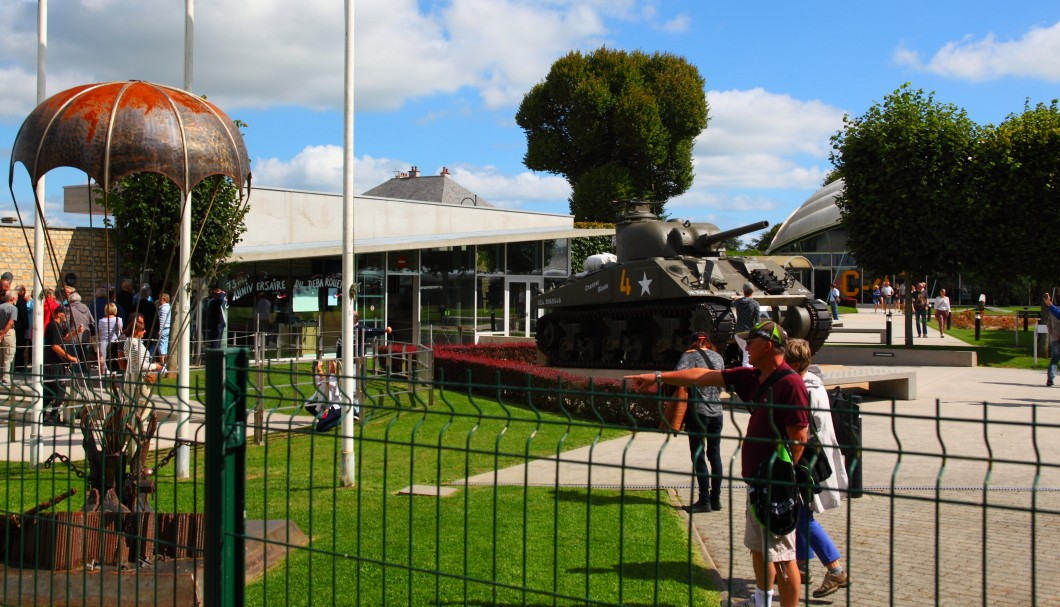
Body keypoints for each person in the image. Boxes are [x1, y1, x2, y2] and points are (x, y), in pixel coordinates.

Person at [627, 320, 809, 607]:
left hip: (775, 485)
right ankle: (762, 602)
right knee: (760, 550)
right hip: (758, 483)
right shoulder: (754, 377)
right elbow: (702, 376)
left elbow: (799, 437)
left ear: (770, 345)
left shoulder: (790, 383)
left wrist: (781, 482)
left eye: (752, 341)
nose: (746, 346)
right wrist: (657, 376)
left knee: (784, 557)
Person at [783, 338, 851, 599]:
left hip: (806, 460)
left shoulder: (805, 388)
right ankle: (799, 568)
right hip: (813, 458)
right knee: (801, 516)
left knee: (802, 517)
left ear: (796, 363)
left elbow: (802, 429)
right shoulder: (813, 384)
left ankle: (835, 568)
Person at [677, 331, 726, 513]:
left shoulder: (689, 356)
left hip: (698, 412)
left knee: (698, 456)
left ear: (693, 343)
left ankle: (704, 500)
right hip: (717, 412)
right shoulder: (718, 357)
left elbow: (677, 376)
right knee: (714, 455)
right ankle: (716, 499)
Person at [44, 309, 79, 424]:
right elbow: (55, 346)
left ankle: (47, 414)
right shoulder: (54, 326)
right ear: (59, 314)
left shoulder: (58, 326)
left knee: (50, 390)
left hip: (55, 362)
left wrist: (76, 332)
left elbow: (65, 337)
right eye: (64, 313)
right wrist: (70, 357)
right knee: (59, 390)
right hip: (54, 363)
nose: (66, 316)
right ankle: (52, 415)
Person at [122, 313, 161, 403]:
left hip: (131, 375)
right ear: (136, 331)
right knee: (145, 404)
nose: (145, 331)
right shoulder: (136, 344)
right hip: (140, 378)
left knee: (132, 403)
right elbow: (142, 365)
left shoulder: (127, 342)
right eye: (143, 329)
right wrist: (155, 366)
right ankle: (140, 418)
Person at [304, 359, 347, 430]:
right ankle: (324, 418)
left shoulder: (338, 377)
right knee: (309, 405)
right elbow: (319, 382)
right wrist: (316, 369)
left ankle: (340, 419)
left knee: (320, 427)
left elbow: (327, 381)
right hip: (326, 406)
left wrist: (319, 370)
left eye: (330, 364)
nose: (328, 366)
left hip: (337, 408)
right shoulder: (329, 376)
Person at [66, 291, 96, 375]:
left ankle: (77, 377)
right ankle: (86, 375)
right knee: (84, 358)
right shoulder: (86, 307)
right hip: (86, 336)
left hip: (74, 336)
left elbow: (66, 324)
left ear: (70, 300)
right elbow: (92, 321)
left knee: (75, 358)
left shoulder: (69, 309)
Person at [733, 282, 760, 366]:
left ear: (743, 291)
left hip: (737, 334)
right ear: (753, 291)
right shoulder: (755, 304)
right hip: (748, 334)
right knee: (747, 358)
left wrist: (738, 298)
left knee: (745, 352)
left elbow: (734, 302)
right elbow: (757, 321)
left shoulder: (738, 302)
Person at [97, 302, 124, 375]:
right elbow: (120, 329)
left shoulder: (101, 321)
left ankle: (107, 378)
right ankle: (114, 377)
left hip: (104, 342)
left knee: (106, 362)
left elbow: (100, 332)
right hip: (114, 342)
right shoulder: (119, 319)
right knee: (114, 361)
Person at [0, 291, 18, 384]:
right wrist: (4, 332)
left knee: (1, 355)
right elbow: (11, 322)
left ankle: (1, 376)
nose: (17, 299)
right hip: (8, 332)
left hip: (0, 331)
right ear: (12, 298)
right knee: (9, 355)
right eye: (16, 298)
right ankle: (6, 377)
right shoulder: (13, 308)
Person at [1043, 293, 1060, 387]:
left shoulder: (1054, 311)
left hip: (1056, 337)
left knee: (1054, 359)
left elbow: (1048, 323)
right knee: (1054, 358)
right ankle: (1050, 379)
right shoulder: (1055, 311)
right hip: (1056, 337)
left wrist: (1052, 333)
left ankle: (1050, 379)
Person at [154, 293, 172, 368]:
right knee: (165, 345)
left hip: (163, 328)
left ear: (163, 299)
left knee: (161, 345)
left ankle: (162, 364)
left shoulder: (163, 308)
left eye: (160, 299)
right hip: (168, 328)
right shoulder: (169, 307)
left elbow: (162, 320)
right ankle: (164, 363)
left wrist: (160, 330)